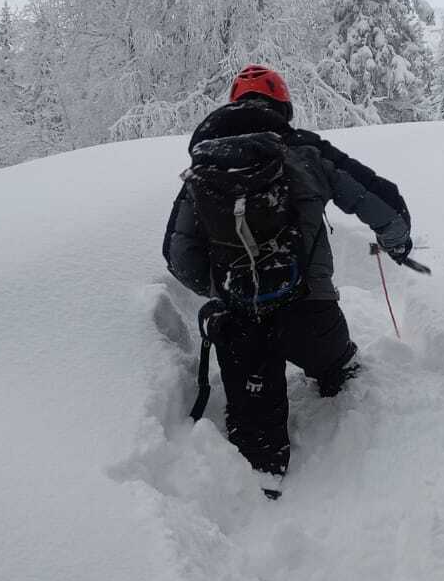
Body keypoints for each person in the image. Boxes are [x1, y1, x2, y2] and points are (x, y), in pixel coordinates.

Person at [162, 65, 415, 499]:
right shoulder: (307, 150)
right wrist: (397, 241)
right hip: (311, 311)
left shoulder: (206, 164)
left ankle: (260, 500)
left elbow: (178, 257)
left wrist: (226, 288)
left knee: (256, 449)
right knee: (342, 377)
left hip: (239, 323)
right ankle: (359, 465)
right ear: (283, 107)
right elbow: (380, 202)